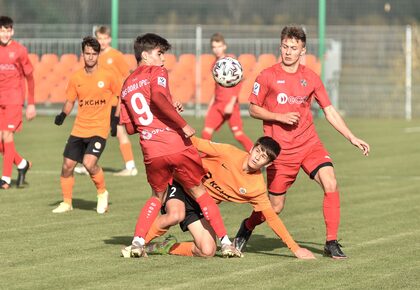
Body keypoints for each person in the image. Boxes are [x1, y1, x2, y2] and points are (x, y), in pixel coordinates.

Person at [233, 26, 370, 259]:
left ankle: (331, 242)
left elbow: (329, 110)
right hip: (280, 152)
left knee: (331, 182)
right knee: (275, 207)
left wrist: (351, 137)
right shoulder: (268, 76)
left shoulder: (311, 78)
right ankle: (247, 226)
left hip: (309, 145)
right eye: (285, 47)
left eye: (293, 48)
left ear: (302, 50)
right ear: (281, 47)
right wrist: (279, 117)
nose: (288, 52)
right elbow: (253, 109)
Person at [119, 33, 240, 258]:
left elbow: (129, 128)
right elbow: (156, 97)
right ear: (145, 56)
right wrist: (181, 124)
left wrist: (163, 110)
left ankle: (137, 242)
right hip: (175, 144)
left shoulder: (126, 86)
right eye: (159, 53)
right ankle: (226, 243)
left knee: (157, 196)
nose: (163, 59)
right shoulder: (156, 71)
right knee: (199, 192)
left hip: (151, 150)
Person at [122, 136, 315, 259]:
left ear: (268, 163)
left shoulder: (256, 187)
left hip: (202, 206)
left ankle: (167, 246)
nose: (258, 157)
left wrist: (295, 249)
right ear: (252, 148)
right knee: (175, 214)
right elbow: (194, 142)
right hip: (183, 186)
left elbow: (272, 217)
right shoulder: (228, 152)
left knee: (207, 251)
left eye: (264, 157)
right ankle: (138, 245)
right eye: (258, 151)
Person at [52, 36, 120, 214]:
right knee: (67, 165)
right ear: (82, 54)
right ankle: (67, 202)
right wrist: (62, 115)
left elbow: (120, 96)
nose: (90, 57)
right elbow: (70, 101)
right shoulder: (76, 77)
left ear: (98, 55)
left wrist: (115, 119)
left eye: (93, 54)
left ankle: (102, 193)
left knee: (89, 164)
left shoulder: (108, 75)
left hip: (99, 129)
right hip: (79, 128)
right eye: (87, 53)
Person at [74, 25, 138, 176]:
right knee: (92, 131)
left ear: (109, 39)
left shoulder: (115, 55)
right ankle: (87, 164)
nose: (102, 41)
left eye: (104, 38)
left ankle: (130, 167)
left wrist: (123, 96)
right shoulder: (94, 55)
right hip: (98, 102)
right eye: (99, 38)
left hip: (114, 101)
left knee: (120, 132)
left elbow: (127, 75)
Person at [0, 16, 36, 189]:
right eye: (2, 30)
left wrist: (31, 103)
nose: (5, 34)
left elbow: (30, 77)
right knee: (1, 143)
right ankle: (22, 164)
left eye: (8, 30)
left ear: (12, 31)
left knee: (7, 136)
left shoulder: (20, 51)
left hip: (14, 99)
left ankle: (5, 179)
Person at [201, 33, 253, 151]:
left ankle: (258, 158)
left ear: (224, 46)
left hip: (230, 105)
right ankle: (205, 161)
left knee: (238, 135)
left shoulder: (231, 62)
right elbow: (217, 86)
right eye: (214, 47)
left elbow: (239, 82)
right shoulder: (214, 64)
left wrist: (231, 103)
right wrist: (211, 103)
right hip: (217, 105)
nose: (217, 50)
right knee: (206, 133)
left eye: (219, 46)